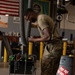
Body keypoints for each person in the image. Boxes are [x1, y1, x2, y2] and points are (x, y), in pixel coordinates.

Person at [24, 8, 63, 75]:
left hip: (53, 46)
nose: (29, 20)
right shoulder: (41, 17)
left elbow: (47, 37)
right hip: (53, 46)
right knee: (49, 70)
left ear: (31, 14)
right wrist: (36, 37)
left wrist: (33, 40)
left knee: (47, 71)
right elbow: (43, 31)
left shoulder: (41, 19)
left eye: (28, 18)